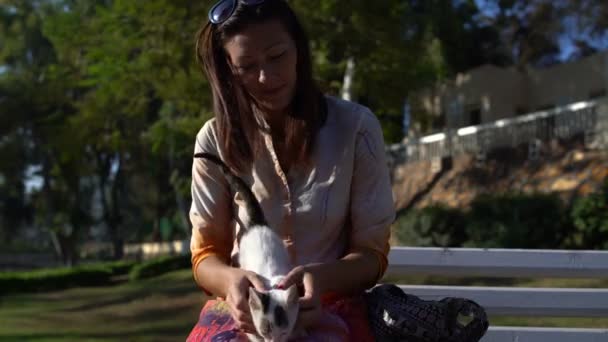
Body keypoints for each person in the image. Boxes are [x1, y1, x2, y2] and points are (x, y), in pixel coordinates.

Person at [187, 0, 395, 340]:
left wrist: (323, 280)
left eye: (277, 56)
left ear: (299, 48)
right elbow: (206, 254)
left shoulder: (355, 128)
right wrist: (231, 282)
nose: (266, 77)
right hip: (246, 314)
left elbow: (372, 254)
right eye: (247, 66)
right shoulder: (214, 140)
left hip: (331, 305)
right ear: (228, 69)